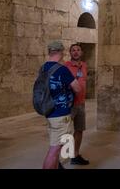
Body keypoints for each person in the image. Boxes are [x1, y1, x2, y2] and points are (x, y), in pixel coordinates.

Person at [42, 41, 80, 169]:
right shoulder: (62, 69)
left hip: (49, 111)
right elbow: (77, 88)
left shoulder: (43, 68)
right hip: (60, 114)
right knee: (54, 150)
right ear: (61, 52)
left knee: (58, 147)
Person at [65, 44, 90, 166]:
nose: (75, 52)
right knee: (65, 132)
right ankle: (61, 159)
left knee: (79, 130)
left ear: (82, 52)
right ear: (70, 52)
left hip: (81, 103)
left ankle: (75, 155)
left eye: (78, 50)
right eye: (73, 50)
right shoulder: (66, 66)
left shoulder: (84, 66)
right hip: (69, 104)